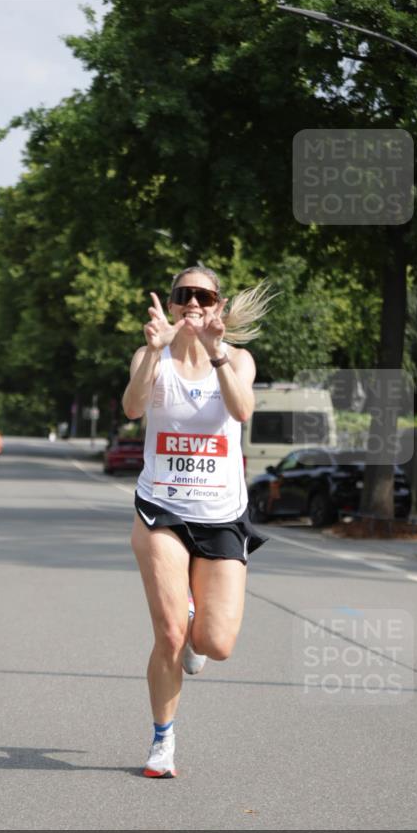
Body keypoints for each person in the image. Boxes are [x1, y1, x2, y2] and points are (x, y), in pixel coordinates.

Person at [122, 265, 274, 778]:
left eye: (203, 296)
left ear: (218, 305)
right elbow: (131, 407)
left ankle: (195, 637)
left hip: (221, 514)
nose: (193, 303)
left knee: (216, 644)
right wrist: (155, 351)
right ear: (172, 301)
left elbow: (243, 409)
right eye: (184, 294)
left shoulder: (238, 359)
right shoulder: (152, 355)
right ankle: (162, 742)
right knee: (168, 633)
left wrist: (216, 353)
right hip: (161, 509)